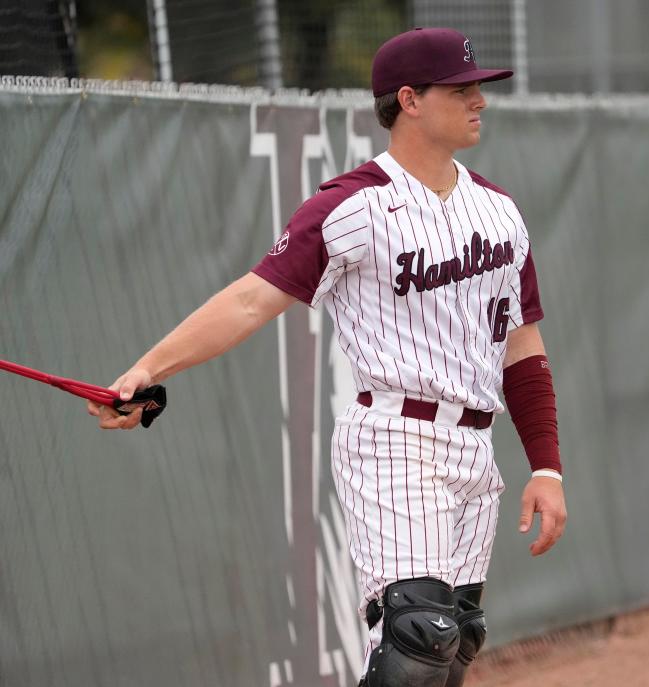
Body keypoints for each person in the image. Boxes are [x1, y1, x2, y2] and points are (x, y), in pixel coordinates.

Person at [89, 27, 567, 687]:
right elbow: (251, 301)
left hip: (474, 450)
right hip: (397, 437)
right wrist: (149, 368)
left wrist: (546, 464)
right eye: (461, 90)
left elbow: (522, 347)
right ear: (410, 100)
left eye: (478, 89)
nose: (479, 101)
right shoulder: (351, 206)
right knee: (417, 639)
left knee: (453, 645)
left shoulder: (500, 213)